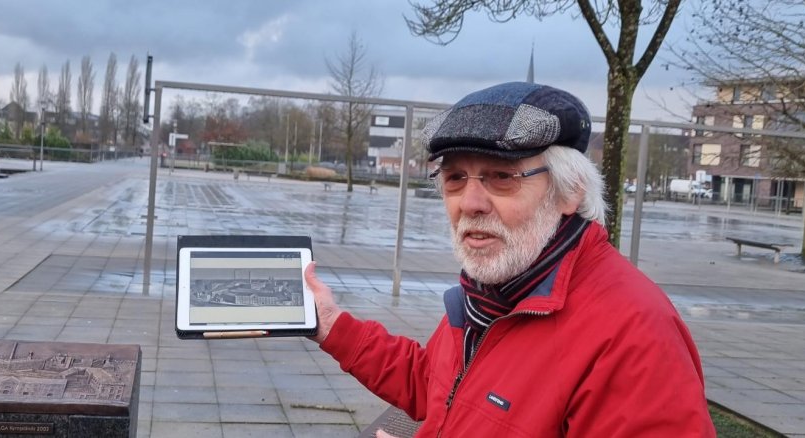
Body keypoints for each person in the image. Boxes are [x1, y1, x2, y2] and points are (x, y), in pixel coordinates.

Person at [304, 82, 715, 437]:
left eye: (502, 177)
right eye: (455, 178)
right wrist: (332, 324)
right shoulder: (493, 294)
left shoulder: (634, 338)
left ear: (569, 191)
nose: (470, 203)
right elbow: (434, 384)